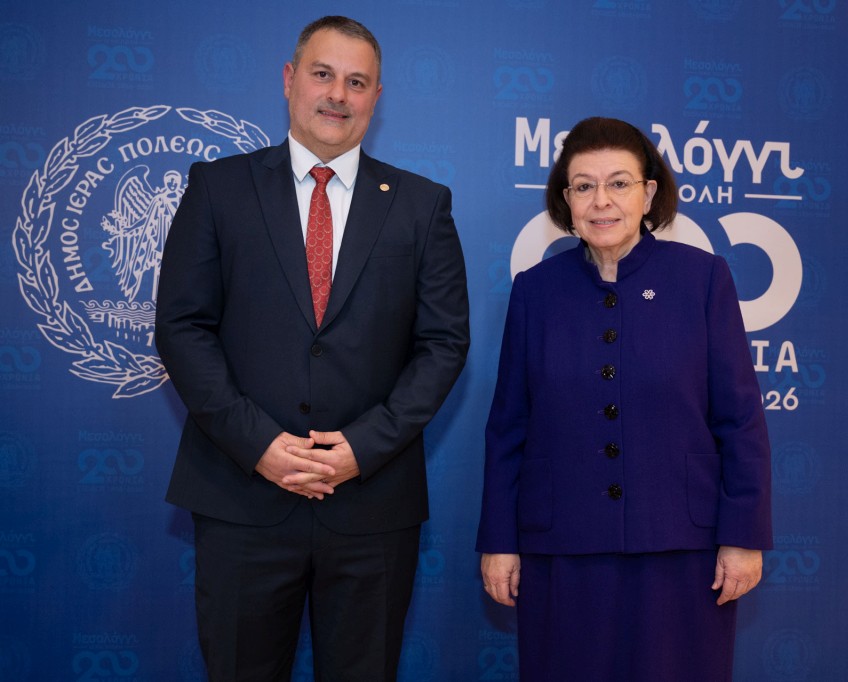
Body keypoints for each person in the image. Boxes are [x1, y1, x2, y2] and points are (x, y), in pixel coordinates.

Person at [155, 16, 469, 682]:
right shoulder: (217, 187)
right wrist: (259, 445)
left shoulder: (422, 205)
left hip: (372, 504)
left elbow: (443, 344)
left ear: (377, 96)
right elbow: (182, 327)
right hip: (241, 496)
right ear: (290, 79)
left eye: (357, 82)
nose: (338, 95)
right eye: (323, 75)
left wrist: (362, 448)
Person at [476, 117, 771, 681]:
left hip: (682, 551)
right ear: (565, 200)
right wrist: (499, 541)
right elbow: (509, 425)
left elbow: (740, 419)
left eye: (619, 183)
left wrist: (743, 537)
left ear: (649, 194)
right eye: (583, 186)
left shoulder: (704, 279)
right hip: (562, 549)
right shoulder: (536, 290)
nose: (601, 201)